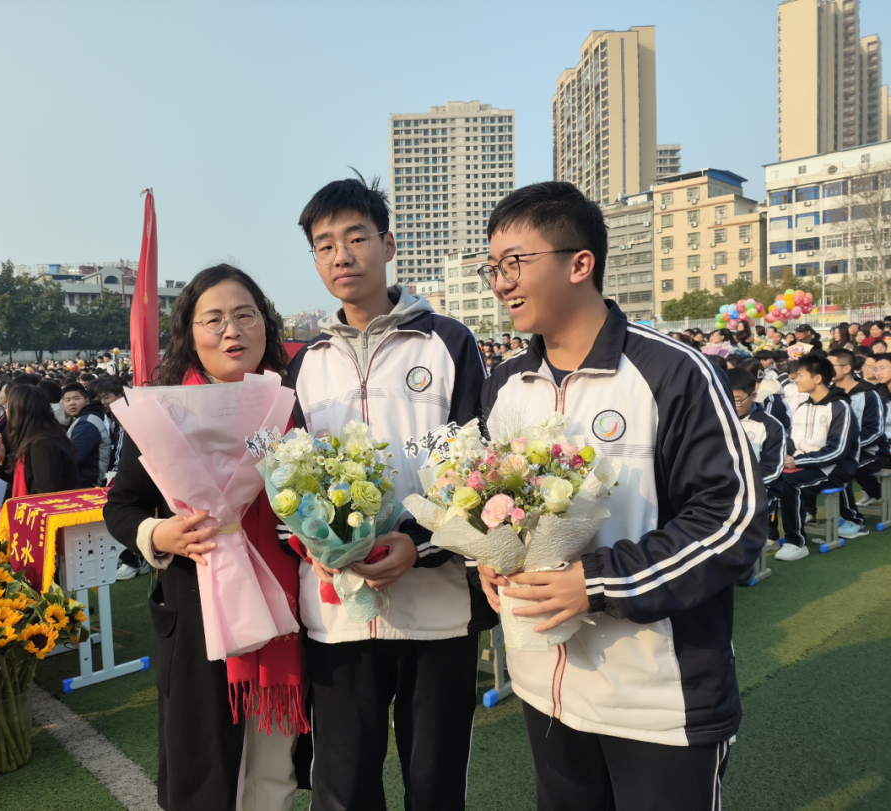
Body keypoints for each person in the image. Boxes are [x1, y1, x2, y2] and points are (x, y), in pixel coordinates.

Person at [475, 182, 765, 809]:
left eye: (515, 262)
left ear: (580, 263)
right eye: (493, 267)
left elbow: (734, 520)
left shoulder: (672, 372)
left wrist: (598, 581)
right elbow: (492, 506)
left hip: (655, 697)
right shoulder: (505, 384)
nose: (501, 283)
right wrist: (489, 558)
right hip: (545, 687)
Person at [287, 174, 493, 811]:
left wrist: (419, 543)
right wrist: (315, 542)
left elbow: (476, 470)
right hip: (338, 613)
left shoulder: (447, 342)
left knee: (434, 787)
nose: (341, 255)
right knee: (344, 788)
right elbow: (287, 480)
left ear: (389, 244)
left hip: (437, 605)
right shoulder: (305, 362)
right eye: (325, 245)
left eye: (356, 238)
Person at [104, 265, 306, 811]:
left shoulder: (289, 406)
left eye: (245, 315)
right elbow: (121, 506)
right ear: (189, 334)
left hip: (286, 611)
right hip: (197, 615)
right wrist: (158, 533)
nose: (231, 331)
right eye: (213, 319)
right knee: (206, 771)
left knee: (275, 765)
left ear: (265, 323)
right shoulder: (162, 413)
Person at [776, 355, 859, 560]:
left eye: (800, 375)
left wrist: (797, 461)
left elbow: (838, 451)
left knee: (790, 483)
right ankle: (770, 535)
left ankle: (796, 542)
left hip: (835, 468)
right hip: (807, 464)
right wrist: (786, 457)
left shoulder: (840, 407)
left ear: (818, 378)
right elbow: (791, 441)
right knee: (771, 477)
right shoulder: (803, 407)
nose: (796, 379)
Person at [729, 368, 787, 555]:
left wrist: (738, 484)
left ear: (753, 396)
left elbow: (772, 469)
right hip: (724, 484)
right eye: (725, 398)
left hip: (758, 488)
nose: (731, 405)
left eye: (737, 400)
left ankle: (760, 542)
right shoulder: (716, 420)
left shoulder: (770, 425)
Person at [828, 349, 887, 528]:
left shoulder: (868, 394)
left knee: (840, 471)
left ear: (846, 368)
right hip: (839, 451)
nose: (825, 369)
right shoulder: (829, 393)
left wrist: (847, 447)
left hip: (871, 453)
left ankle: (854, 521)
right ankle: (810, 513)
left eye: (830, 365)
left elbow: (876, 431)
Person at [0, 384, 82, 497]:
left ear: (20, 411)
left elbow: (47, 495)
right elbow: (26, 481)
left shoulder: (43, 444)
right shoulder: (37, 437)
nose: (7, 412)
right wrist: (2, 459)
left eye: (9, 407)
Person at [62, 382, 111, 488]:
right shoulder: (84, 419)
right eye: (67, 400)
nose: (72, 403)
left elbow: (75, 457)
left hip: (87, 484)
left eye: (76, 398)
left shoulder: (87, 423)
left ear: (87, 401)